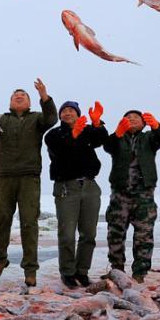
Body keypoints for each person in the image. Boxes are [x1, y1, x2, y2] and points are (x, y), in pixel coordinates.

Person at [0, 80, 57, 287]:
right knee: (2, 218)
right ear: (11, 102)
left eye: (23, 95)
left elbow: (51, 119)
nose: (19, 96)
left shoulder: (37, 118)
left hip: (29, 177)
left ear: (30, 102)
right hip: (5, 176)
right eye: (16, 95)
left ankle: (30, 269)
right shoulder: (2, 120)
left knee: (29, 222)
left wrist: (45, 98)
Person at [44, 100, 107, 288]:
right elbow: (61, 150)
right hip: (66, 187)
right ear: (60, 115)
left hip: (89, 186)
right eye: (64, 111)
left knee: (89, 233)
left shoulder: (87, 131)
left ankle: (82, 271)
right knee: (67, 235)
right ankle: (68, 272)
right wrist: (73, 134)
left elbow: (100, 139)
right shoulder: (53, 134)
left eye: (72, 110)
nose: (68, 113)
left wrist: (97, 124)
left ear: (78, 114)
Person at [103, 109, 160, 283]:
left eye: (136, 118)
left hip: (144, 194)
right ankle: (116, 269)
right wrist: (117, 133)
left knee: (144, 235)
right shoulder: (117, 138)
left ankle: (139, 273)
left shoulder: (149, 138)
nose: (131, 119)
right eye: (128, 118)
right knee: (115, 233)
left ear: (144, 123)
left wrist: (157, 126)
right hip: (120, 193)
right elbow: (107, 146)